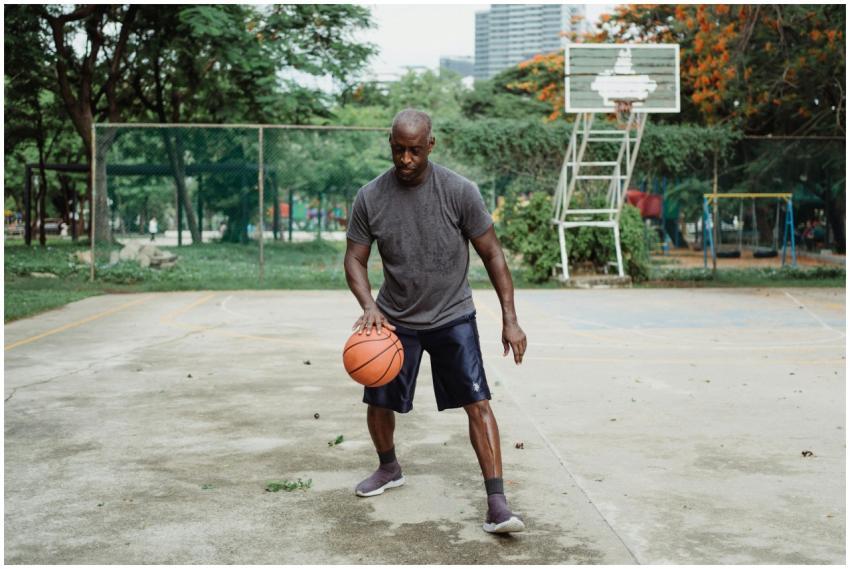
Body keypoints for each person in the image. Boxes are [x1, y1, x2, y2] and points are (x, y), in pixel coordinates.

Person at [343, 109, 528, 534]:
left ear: (430, 145)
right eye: (397, 150)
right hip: (395, 317)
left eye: (413, 150)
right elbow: (354, 257)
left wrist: (510, 319)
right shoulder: (370, 196)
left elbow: (493, 254)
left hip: (452, 314)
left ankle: (497, 502)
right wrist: (369, 304)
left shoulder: (459, 191)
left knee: (478, 403)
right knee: (378, 399)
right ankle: (389, 468)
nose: (405, 159)